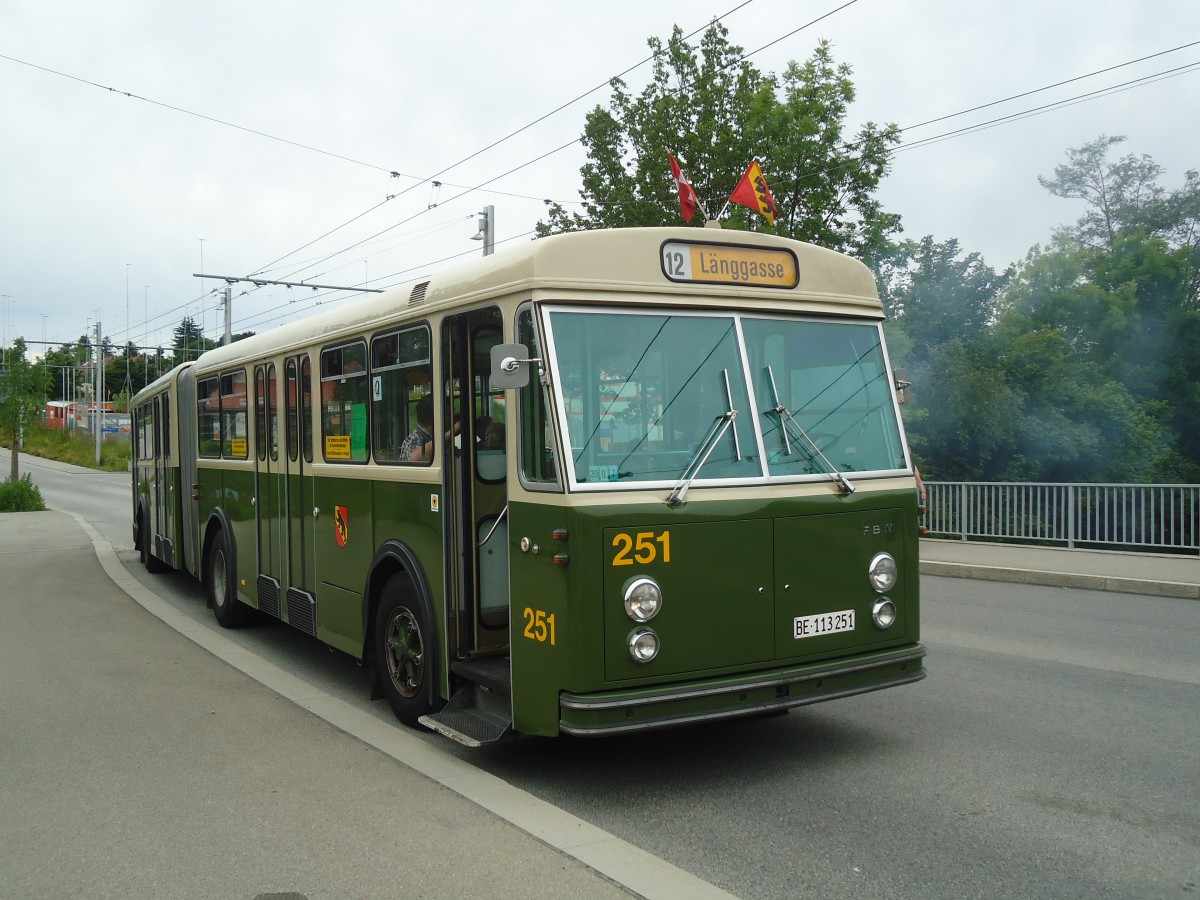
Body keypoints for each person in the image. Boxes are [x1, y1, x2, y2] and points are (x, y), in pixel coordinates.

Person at [400, 396, 435, 461]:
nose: (452, 418)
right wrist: (447, 435)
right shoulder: (415, 440)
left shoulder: (434, 436)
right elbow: (416, 458)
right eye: (448, 414)